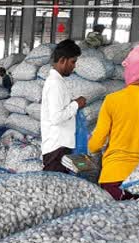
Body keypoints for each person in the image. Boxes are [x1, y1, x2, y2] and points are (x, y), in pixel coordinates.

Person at [88, 44, 139, 200]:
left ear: (130, 70)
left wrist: (91, 143)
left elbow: (96, 144)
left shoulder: (112, 100)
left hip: (113, 175)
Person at [40, 39, 87, 173]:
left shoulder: (57, 82)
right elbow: (56, 117)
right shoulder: (55, 84)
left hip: (60, 145)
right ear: (62, 60)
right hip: (57, 147)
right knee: (55, 189)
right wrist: (76, 104)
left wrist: (73, 104)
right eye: (73, 62)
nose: (74, 66)